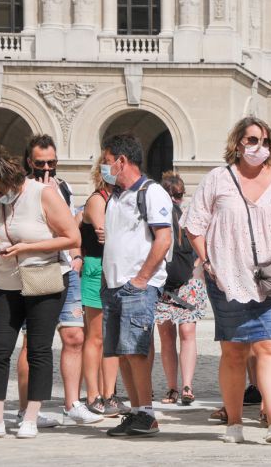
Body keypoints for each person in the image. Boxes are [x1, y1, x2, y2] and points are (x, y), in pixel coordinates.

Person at [182, 117, 271, 444]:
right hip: (226, 277)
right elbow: (194, 224)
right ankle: (235, 424)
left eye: (265, 141)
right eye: (252, 140)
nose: (259, 147)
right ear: (238, 143)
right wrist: (209, 261)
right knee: (235, 351)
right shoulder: (218, 178)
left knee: (270, 345)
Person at [0, 151, 80, 438]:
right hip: (5, 280)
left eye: (1, 190)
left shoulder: (43, 194)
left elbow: (72, 237)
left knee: (39, 349)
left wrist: (27, 248)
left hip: (43, 278)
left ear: (13, 179)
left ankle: (31, 416)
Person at [17, 134, 102, 426]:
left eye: (51, 162)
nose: (46, 168)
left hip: (67, 268)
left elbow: (71, 226)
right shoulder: (21, 188)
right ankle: (26, 408)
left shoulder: (63, 186)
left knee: (74, 336)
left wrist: (77, 255)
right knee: (33, 341)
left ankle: (72, 403)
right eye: (40, 163)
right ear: (29, 161)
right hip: (37, 269)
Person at [99, 134, 173, 437]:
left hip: (137, 286)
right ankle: (136, 410)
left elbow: (163, 238)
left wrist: (141, 279)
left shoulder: (151, 192)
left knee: (137, 351)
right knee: (123, 352)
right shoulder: (117, 197)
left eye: (107, 162)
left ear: (121, 161)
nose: (104, 167)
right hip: (115, 285)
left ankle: (147, 413)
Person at [80, 157, 128, 417]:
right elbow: (103, 233)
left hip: (116, 268)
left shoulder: (122, 198)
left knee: (113, 338)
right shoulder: (98, 199)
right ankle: (93, 394)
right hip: (97, 268)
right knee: (96, 335)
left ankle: (110, 394)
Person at [156, 171, 207, 406]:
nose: (177, 198)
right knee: (166, 336)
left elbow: (203, 241)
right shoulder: (158, 217)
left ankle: (187, 386)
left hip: (189, 283)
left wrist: (198, 267)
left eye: (180, 194)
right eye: (173, 194)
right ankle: (172, 387)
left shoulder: (189, 215)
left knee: (187, 332)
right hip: (163, 285)